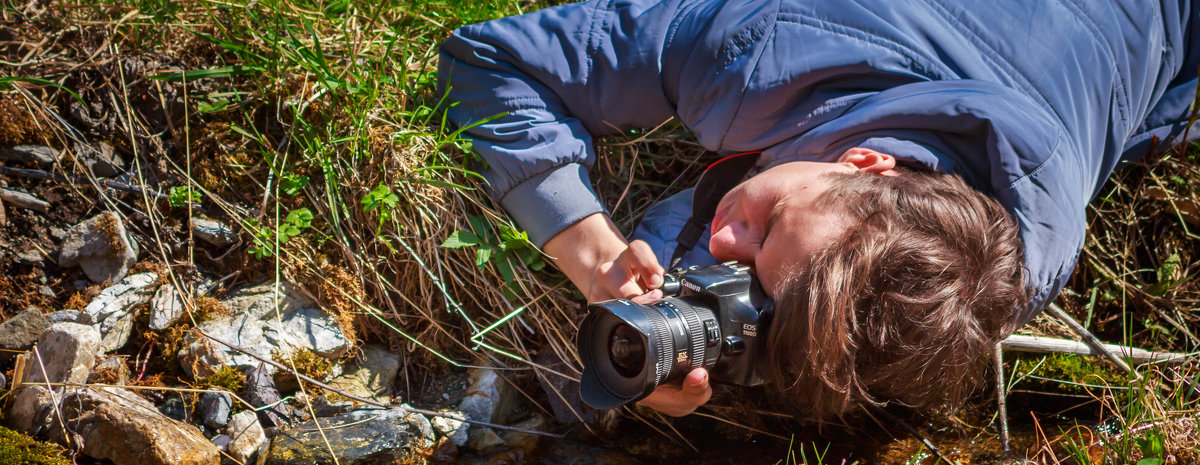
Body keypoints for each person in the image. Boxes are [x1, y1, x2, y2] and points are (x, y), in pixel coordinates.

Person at [438, 0, 1199, 419]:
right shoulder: (765, 50)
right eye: (765, 220)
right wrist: (597, 258)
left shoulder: (1006, 273)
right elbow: (489, 62)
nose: (723, 235)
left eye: (753, 261)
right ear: (863, 162)